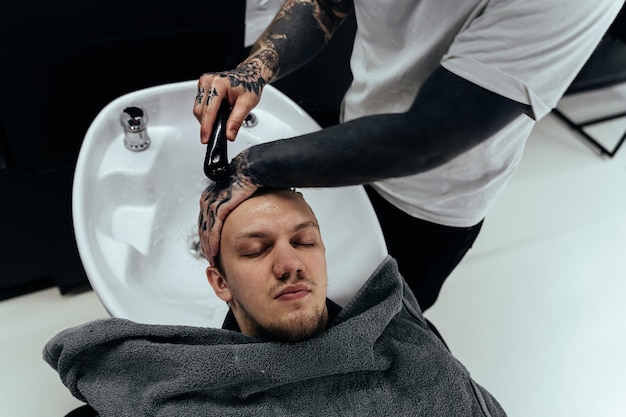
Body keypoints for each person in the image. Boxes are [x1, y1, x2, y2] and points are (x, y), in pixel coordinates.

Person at [193, 0, 624, 312]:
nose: (286, 266)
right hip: (353, 134)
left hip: (429, 202)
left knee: (377, 322)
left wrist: (251, 167)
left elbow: (428, 134)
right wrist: (255, 69)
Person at [44, 187, 507, 416]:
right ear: (220, 283)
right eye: (255, 249)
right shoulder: (171, 386)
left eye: (304, 242)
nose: (290, 264)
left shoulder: (412, 350)